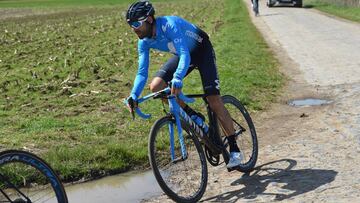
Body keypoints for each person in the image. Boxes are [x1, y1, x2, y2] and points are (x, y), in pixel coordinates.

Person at [125, 0, 242, 168]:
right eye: (130, 25)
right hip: (183, 55)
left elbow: (184, 53)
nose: (133, 29)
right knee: (157, 87)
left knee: (213, 100)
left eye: (136, 24)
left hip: (201, 52)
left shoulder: (169, 25)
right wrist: (134, 95)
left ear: (150, 19)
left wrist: (178, 76)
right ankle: (194, 117)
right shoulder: (143, 41)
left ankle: (234, 148)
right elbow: (142, 72)